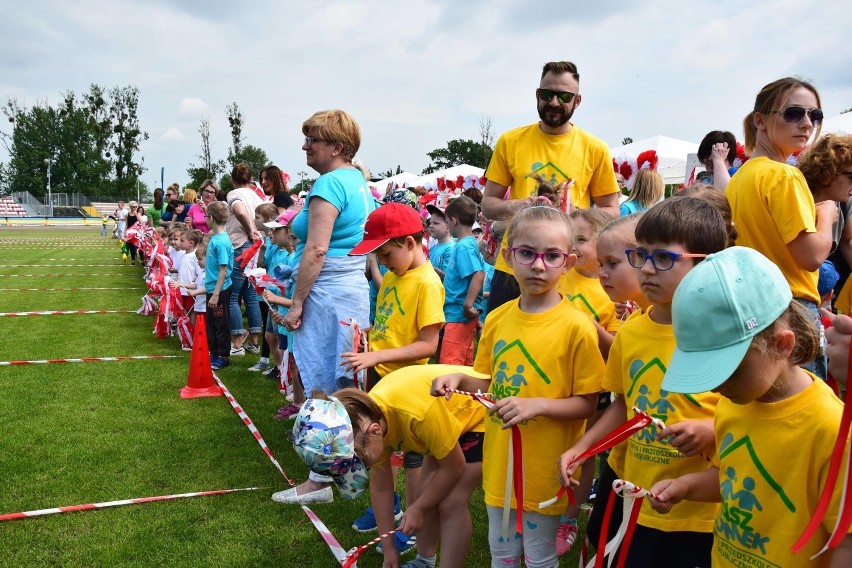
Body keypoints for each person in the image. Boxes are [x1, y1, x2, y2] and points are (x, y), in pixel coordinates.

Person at [647, 246, 852, 567]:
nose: (715, 385)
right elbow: (735, 477)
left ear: (782, 344)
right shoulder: (732, 403)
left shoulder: (832, 430)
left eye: (728, 368)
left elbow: (845, 542)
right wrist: (685, 486)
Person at [558, 197, 729, 567]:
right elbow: (622, 405)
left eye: (664, 258)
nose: (648, 270)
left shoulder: (723, 338)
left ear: (706, 263)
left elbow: (751, 414)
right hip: (630, 486)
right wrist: (584, 447)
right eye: (642, 256)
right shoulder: (631, 332)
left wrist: (711, 429)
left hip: (695, 508)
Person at [433, 205, 605, 567]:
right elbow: (485, 377)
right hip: (500, 463)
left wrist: (536, 405)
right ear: (509, 257)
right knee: (504, 555)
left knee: (540, 558)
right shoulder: (496, 318)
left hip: (545, 466)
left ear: (569, 262)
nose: (539, 265)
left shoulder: (577, 327)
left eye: (552, 256)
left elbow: (587, 404)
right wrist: (458, 376)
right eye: (527, 253)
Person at [286, 364, 487, 568]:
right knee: (427, 493)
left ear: (374, 431)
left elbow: (454, 468)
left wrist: (418, 508)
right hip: (446, 423)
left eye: (361, 462)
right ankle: (425, 561)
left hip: (480, 412)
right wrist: (389, 549)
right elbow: (382, 489)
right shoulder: (368, 424)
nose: (363, 468)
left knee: (451, 502)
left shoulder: (415, 414)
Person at [280, 109, 376, 504]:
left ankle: (320, 480)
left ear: (337, 146)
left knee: (325, 388)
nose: (305, 146)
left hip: (327, 293)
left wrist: (296, 303)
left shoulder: (330, 185)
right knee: (345, 386)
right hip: (349, 291)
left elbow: (317, 250)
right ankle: (348, 468)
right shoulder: (356, 180)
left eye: (312, 140)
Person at [482, 60, 620, 316]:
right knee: (499, 342)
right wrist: (522, 205)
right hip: (514, 265)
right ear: (537, 95)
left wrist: (577, 213)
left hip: (566, 266)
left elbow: (612, 211)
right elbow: (488, 204)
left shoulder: (595, 148)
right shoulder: (510, 141)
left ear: (577, 101)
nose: (554, 102)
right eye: (547, 94)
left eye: (564, 96)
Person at [726, 77, 832, 379]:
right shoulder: (784, 175)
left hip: (752, 309)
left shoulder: (741, 178)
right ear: (760, 120)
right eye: (793, 113)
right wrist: (826, 216)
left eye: (815, 115)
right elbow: (810, 256)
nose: (807, 123)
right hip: (792, 310)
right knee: (803, 414)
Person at [798, 134, 852, 301]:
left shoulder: (844, 202)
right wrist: (825, 217)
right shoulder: (797, 199)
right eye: (851, 177)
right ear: (829, 172)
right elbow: (811, 258)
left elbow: (847, 241)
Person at [439, 196, 487, 366]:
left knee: (449, 366)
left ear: (453, 221)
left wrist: (468, 304)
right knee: (464, 364)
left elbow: (479, 275)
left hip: (459, 314)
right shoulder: (468, 244)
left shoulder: (464, 246)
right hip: (460, 314)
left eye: (446, 221)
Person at [225, 163, 265, 356]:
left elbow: (239, 211)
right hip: (255, 248)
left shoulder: (234, 194)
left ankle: (237, 342)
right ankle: (254, 342)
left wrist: (250, 230)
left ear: (233, 179)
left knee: (233, 296)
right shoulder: (257, 196)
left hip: (241, 246)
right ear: (250, 179)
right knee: (250, 295)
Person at [204, 201, 234, 370]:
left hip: (219, 290)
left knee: (221, 323)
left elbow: (223, 270)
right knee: (212, 323)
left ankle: (223, 356)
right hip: (212, 288)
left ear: (211, 218)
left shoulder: (221, 242)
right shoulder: (215, 238)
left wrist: (216, 294)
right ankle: (213, 353)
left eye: (206, 217)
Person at [426, 205, 454, 280]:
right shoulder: (434, 247)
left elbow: (447, 278)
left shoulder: (450, 249)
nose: (431, 226)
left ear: (448, 226)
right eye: (431, 223)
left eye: (435, 223)